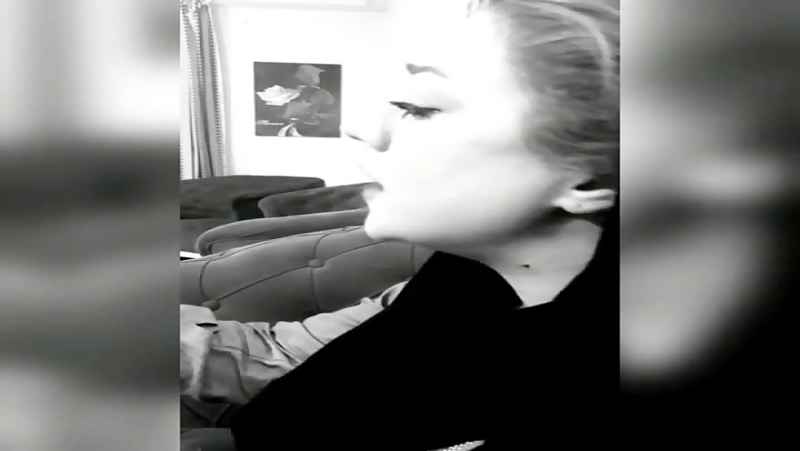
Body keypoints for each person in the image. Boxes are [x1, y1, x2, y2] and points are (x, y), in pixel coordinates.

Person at [182, 0, 619, 449]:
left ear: (589, 177)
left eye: (420, 106)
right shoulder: (462, 278)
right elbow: (303, 357)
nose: (359, 129)